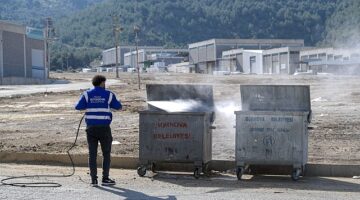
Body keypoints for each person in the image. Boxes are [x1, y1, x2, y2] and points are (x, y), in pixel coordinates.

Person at [75, 75, 122, 187]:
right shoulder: (109, 94)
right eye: (104, 83)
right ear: (101, 83)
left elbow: (78, 107)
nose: (105, 85)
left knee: (92, 154)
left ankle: (94, 180)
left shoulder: (87, 94)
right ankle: (105, 179)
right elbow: (119, 107)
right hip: (104, 129)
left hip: (91, 128)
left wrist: (89, 105)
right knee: (106, 154)